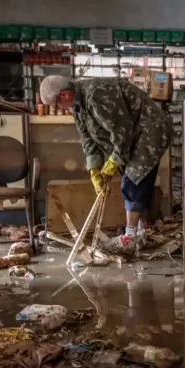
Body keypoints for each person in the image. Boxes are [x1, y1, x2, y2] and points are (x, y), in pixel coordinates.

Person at [39, 75, 172, 254]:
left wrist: (113, 162)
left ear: (64, 95)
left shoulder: (96, 94)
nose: (57, 109)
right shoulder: (77, 105)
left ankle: (130, 237)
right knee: (132, 177)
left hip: (149, 130)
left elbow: (122, 132)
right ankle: (140, 231)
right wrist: (94, 169)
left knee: (133, 179)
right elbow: (87, 138)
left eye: (55, 105)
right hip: (132, 137)